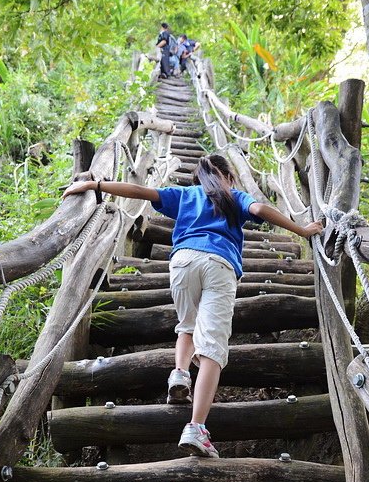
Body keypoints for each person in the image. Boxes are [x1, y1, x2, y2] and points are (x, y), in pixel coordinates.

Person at [62, 154, 323, 458]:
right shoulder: (233, 197)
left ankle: (179, 373)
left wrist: (94, 184)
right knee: (212, 346)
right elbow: (261, 209)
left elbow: (140, 192)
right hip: (218, 264)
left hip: (182, 262)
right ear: (228, 176)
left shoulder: (185, 195)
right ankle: (197, 427)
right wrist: (302, 231)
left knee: (187, 324)